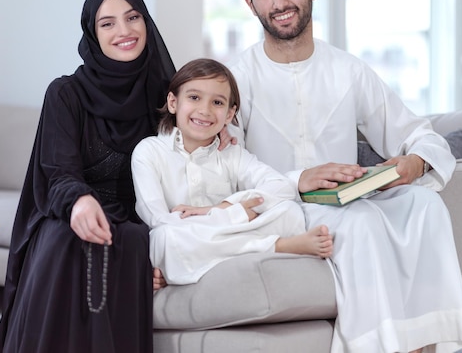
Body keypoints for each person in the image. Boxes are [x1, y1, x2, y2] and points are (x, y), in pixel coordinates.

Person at [228, 0, 462, 353]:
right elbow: (227, 171)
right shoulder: (235, 79)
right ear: (250, 4)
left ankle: (428, 345)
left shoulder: (348, 70)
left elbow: (420, 133)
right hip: (280, 208)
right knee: (360, 224)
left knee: (425, 206)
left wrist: (412, 164)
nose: (279, 2)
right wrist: (297, 181)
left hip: (348, 200)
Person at [0, 0, 176, 353]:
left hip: (137, 219)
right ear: (92, 34)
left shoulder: (167, 95)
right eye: (107, 24)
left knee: (134, 241)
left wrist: (218, 135)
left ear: (146, 23)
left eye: (133, 17)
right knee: (66, 239)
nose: (124, 31)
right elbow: (57, 171)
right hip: (71, 211)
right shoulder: (65, 93)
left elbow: (191, 146)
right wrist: (79, 202)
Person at [131, 58, 333, 285]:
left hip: (220, 236)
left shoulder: (231, 153)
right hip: (185, 236)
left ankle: (196, 265)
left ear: (229, 114)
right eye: (194, 97)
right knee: (164, 239)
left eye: (217, 102)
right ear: (173, 102)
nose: (204, 110)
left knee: (289, 211)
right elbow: (159, 220)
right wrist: (236, 215)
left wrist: (221, 209)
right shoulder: (148, 151)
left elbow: (281, 186)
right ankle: (276, 246)